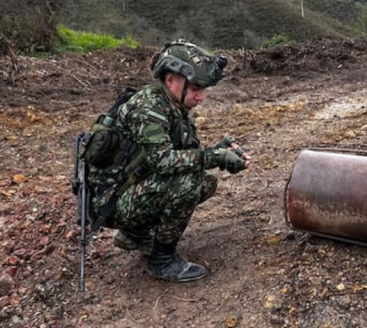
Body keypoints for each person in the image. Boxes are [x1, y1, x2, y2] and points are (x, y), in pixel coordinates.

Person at [87, 39, 251, 282]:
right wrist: (214, 157)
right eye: (195, 88)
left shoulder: (173, 106)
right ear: (171, 79)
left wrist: (221, 151)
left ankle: (134, 234)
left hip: (128, 189)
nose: (201, 97)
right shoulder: (148, 107)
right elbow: (163, 161)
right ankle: (162, 260)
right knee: (187, 185)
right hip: (109, 202)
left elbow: (185, 156)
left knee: (205, 182)